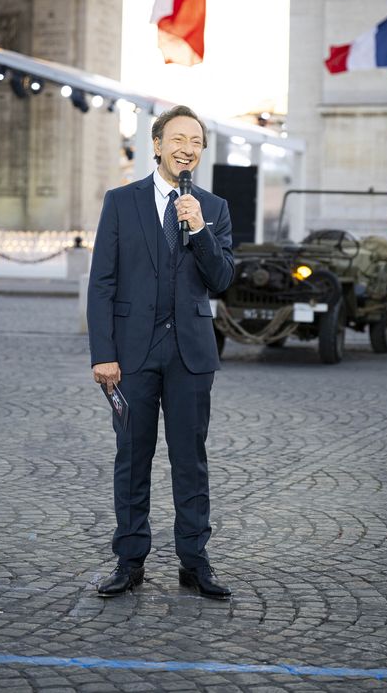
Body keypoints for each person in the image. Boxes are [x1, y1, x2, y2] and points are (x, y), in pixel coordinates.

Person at [87, 105, 234, 599]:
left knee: (190, 461)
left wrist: (201, 231)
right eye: (178, 138)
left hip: (192, 357)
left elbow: (222, 280)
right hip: (129, 356)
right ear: (157, 144)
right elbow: (102, 284)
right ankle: (129, 561)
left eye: (196, 140)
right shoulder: (120, 201)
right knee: (132, 458)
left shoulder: (212, 208)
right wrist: (103, 354)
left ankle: (194, 562)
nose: (187, 148)